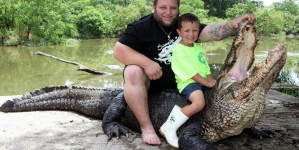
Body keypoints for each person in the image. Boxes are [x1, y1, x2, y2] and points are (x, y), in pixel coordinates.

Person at [113, 0, 255, 146]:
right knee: (132, 71)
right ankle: (147, 128)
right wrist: (147, 63)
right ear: (153, 7)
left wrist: (232, 24)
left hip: (184, 85)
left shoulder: (183, 24)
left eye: (173, 8)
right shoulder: (141, 27)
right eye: (163, 7)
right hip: (152, 86)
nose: (168, 12)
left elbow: (210, 32)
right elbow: (119, 51)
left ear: (178, 8)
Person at [159, 13, 216, 148]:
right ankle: (169, 127)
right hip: (188, 82)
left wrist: (211, 79)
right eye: (187, 31)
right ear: (179, 32)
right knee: (199, 103)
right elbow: (191, 73)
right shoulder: (179, 49)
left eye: (195, 30)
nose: (191, 34)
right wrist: (207, 83)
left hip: (200, 81)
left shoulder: (197, 47)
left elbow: (205, 66)